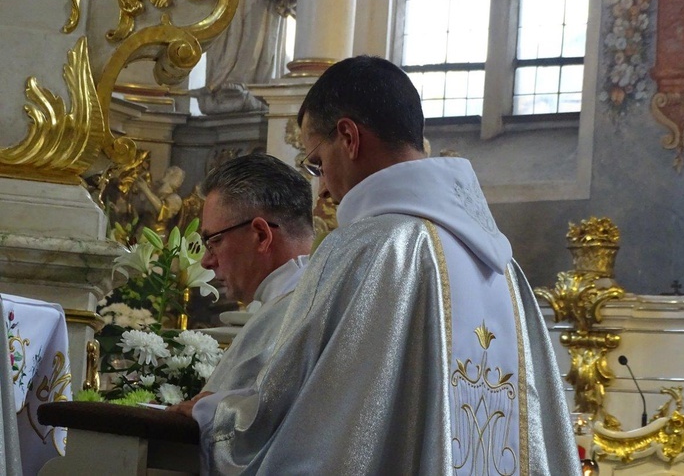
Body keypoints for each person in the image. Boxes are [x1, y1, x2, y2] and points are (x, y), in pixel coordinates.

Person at [190, 56, 579, 475]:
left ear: (348, 137)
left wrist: (212, 414)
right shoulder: (504, 269)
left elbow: (286, 414)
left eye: (317, 163)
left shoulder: (367, 249)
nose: (322, 189)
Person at [167, 153, 313, 428]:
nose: (207, 261)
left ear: (260, 235)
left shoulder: (290, 314)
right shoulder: (310, 298)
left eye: (214, 241)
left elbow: (268, 431)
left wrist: (210, 411)